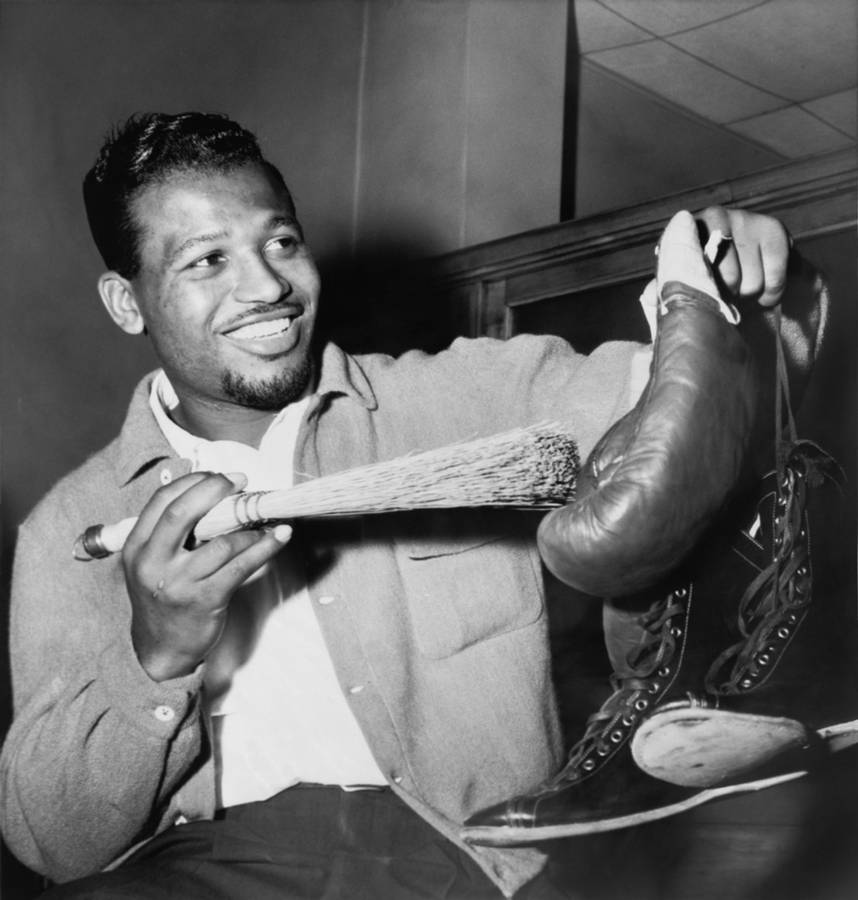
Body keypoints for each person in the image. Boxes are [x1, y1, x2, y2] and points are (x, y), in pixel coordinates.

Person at [0, 112, 793, 899]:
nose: (269, 286)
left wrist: (721, 293)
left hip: (472, 860)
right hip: (208, 870)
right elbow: (53, 844)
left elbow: (702, 402)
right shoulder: (68, 531)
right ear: (126, 302)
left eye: (280, 242)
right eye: (207, 260)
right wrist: (157, 655)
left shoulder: (469, 396)